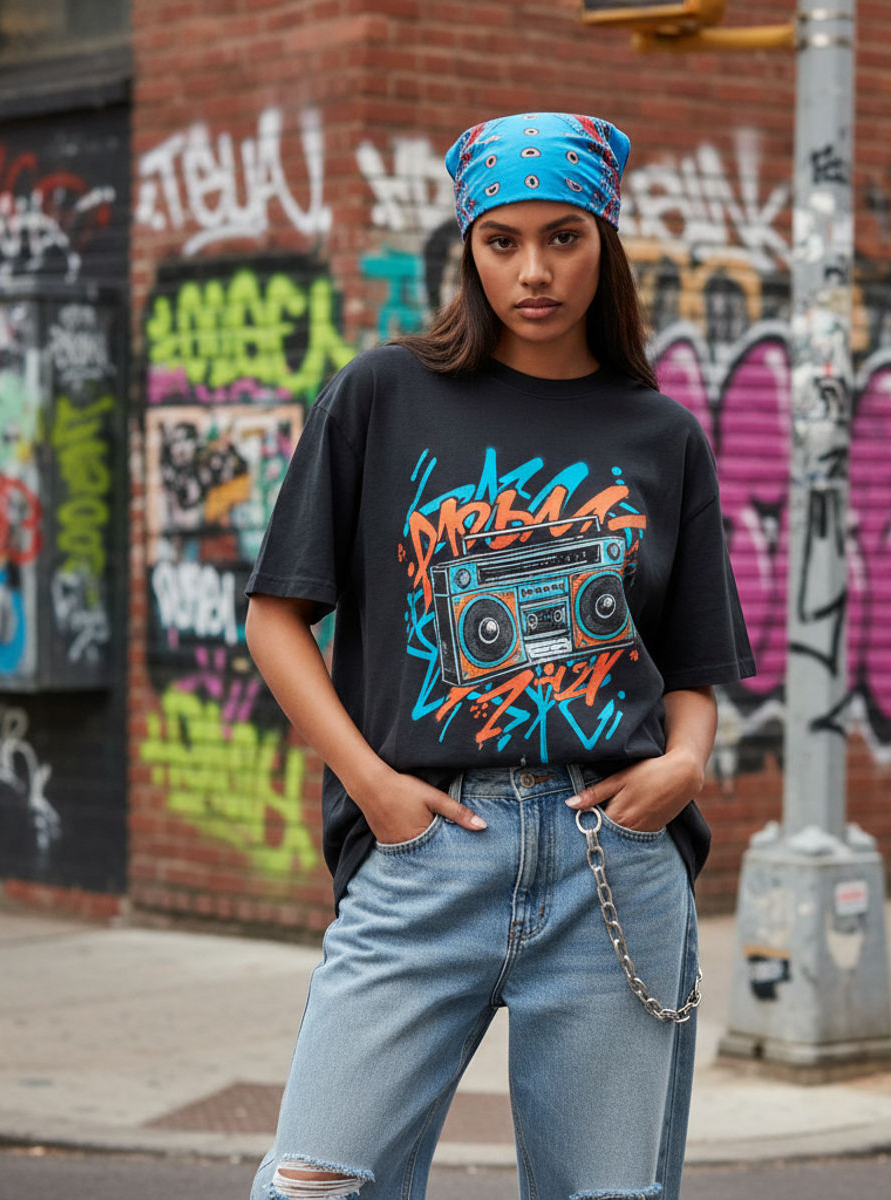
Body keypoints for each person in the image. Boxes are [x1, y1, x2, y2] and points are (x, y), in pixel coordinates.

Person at [244, 112, 755, 1200]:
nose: (535, 271)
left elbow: (696, 663)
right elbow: (276, 619)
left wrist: (685, 766)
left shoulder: (663, 437)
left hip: (611, 855)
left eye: (564, 237)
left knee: (607, 1195)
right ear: (468, 248)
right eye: (503, 240)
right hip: (428, 843)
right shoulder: (381, 394)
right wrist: (375, 788)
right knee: (314, 1183)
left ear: (605, 242)